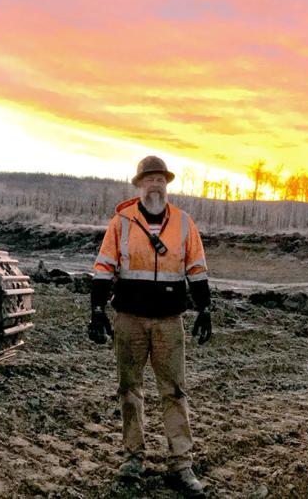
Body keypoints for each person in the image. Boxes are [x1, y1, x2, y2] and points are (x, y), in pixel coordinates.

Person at [88, 155, 212, 497]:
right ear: (139, 184)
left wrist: (205, 309)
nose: (155, 184)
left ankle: (181, 465)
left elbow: (197, 268)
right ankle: (132, 459)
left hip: (170, 322)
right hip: (129, 319)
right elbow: (104, 266)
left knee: (174, 391)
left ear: (167, 185)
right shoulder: (121, 222)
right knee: (129, 389)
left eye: (161, 179)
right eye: (149, 179)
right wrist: (96, 309)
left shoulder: (184, 224)